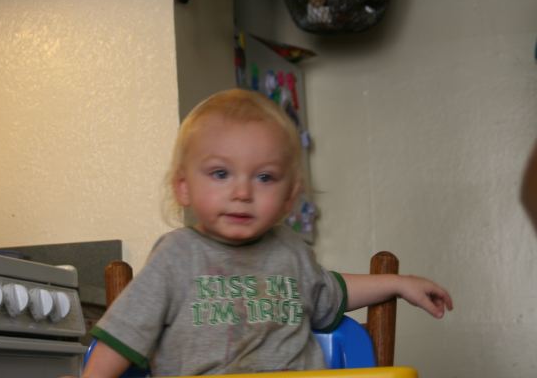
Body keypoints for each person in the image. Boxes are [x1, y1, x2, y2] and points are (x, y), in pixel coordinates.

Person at [82, 88, 453, 378]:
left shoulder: (290, 251)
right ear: (183, 187)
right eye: (220, 173)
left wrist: (398, 284)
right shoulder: (176, 256)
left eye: (264, 177)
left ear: (289, 198)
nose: (242, 192)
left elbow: (330, 292)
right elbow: (123, 334)